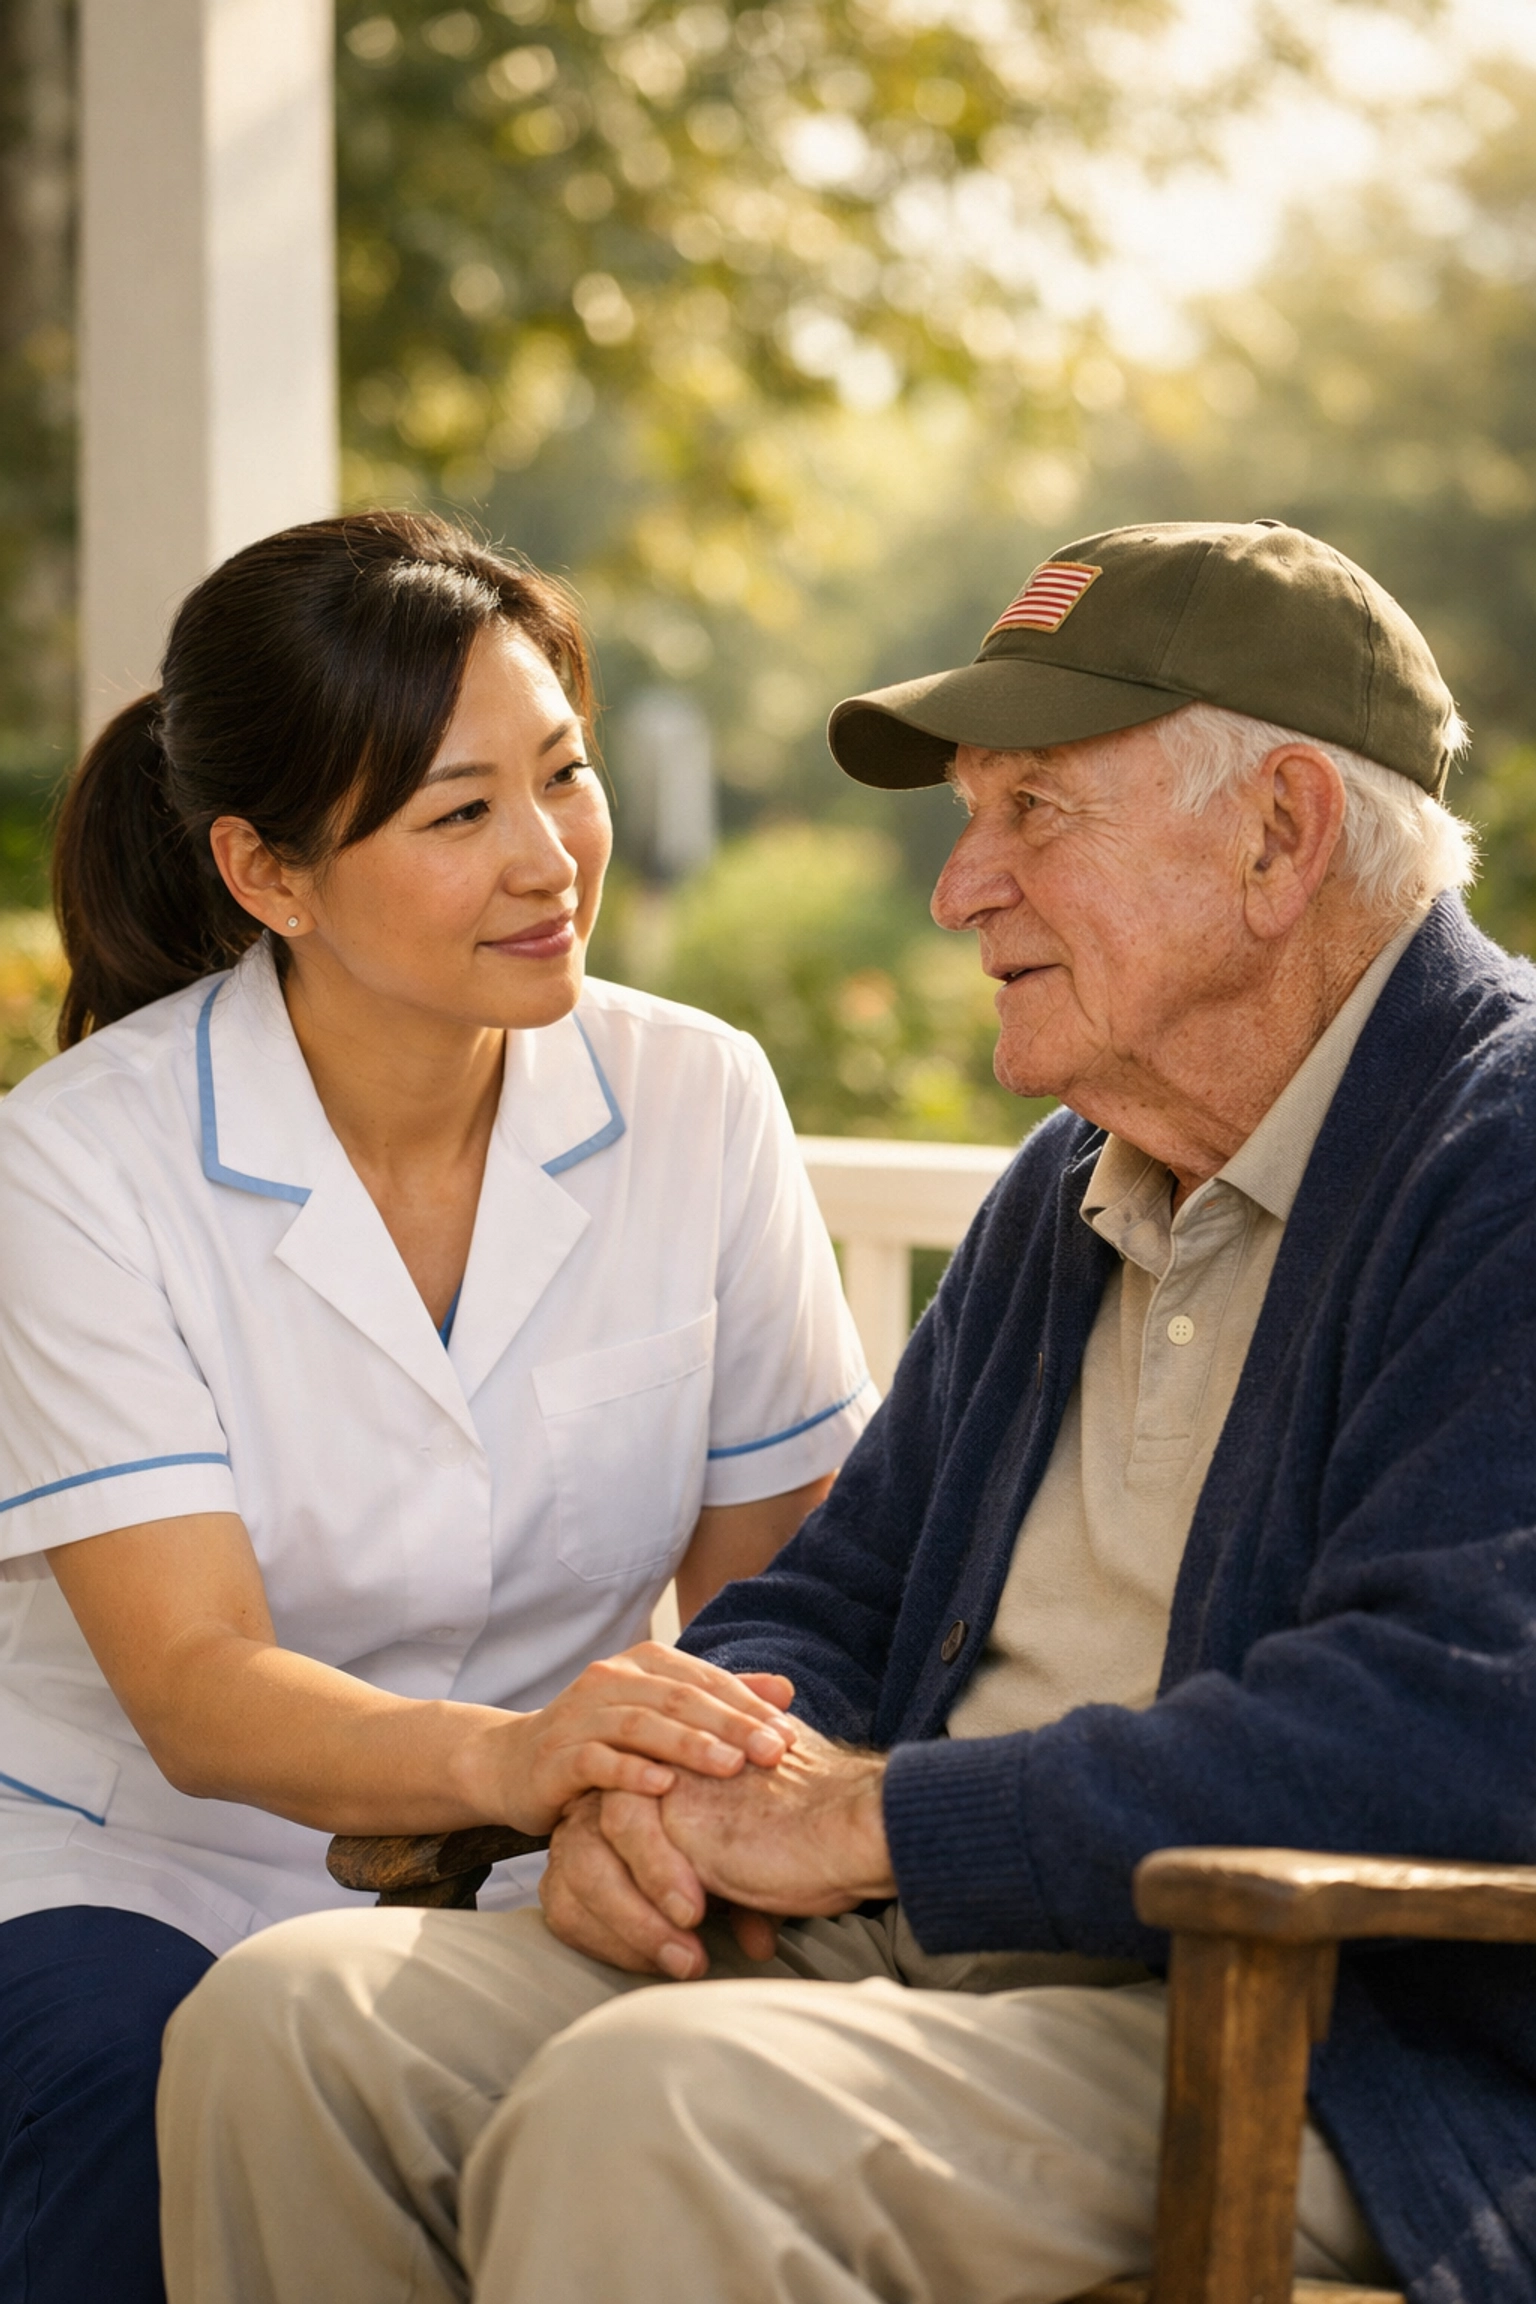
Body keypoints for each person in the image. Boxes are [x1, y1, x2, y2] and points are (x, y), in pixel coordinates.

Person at [159, 520, 1536, 2304]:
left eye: (1036, 812)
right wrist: (673, 1800)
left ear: (1281, 833)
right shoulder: (1077, 1185)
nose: (960, 888)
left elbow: (1455, 1725)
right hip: (929, 1959)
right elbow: (843, 1587)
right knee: (296, 2025)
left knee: (667, 2108)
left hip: (1308, 2034)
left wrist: (885, 1820)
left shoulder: (1493, 1157)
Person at [0, 510, 872, 2304]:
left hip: (546, 1877)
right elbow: (198, 1690)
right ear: (268, 874)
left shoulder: (697, 1097)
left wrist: (679, 1817)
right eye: (459, 815)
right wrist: (517, 1759)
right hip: (135, 1870)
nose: (552, 857)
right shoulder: (75, 1165)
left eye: (563, 774)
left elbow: (781, 1589)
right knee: (149, 2109)